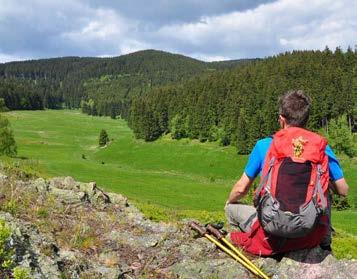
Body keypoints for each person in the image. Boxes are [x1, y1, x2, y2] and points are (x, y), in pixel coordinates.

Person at [225, 90, 349, 252]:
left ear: (282, 119)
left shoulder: (264, 145)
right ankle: (325, 243)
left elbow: (241, 189)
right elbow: (343, 190)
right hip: (309, 232)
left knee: (230, 209)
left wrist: (230, 201)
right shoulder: (320, 147)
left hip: (272, 230)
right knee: (326, 191)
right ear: (306, 119)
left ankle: (263, 234)